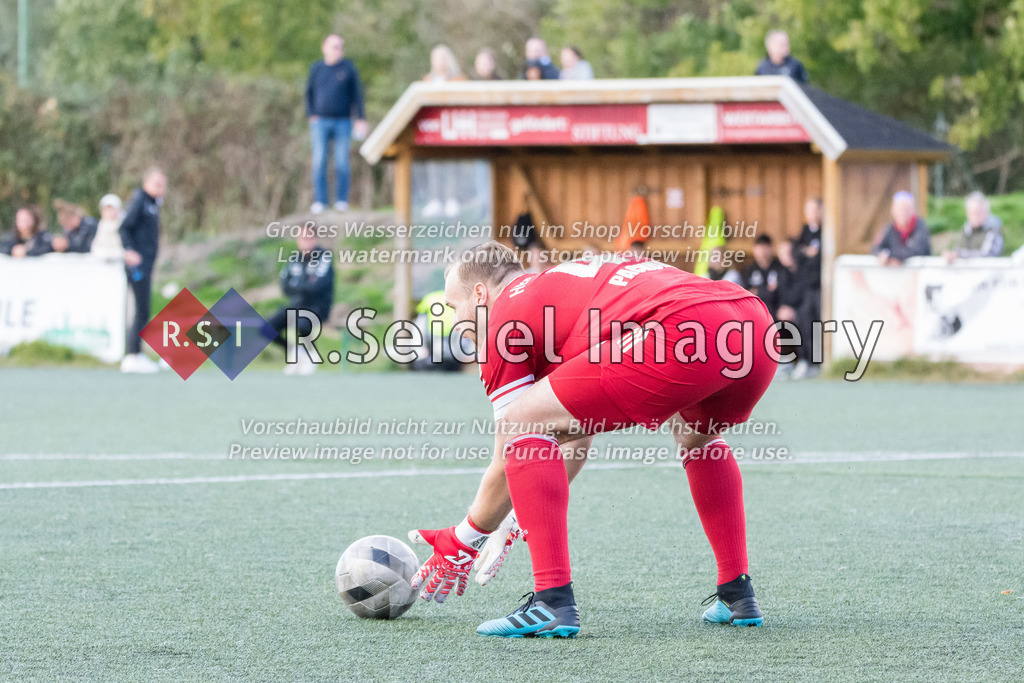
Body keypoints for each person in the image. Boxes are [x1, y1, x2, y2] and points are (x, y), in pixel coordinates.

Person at [408, 242, 777, 637]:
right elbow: (574, 436)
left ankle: (552, 602)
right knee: (695, 438)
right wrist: (519, 514)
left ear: (480, 295)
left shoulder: (503, 318)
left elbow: (511, 443)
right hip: (750, 323)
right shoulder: (555, 292)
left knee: (520, 424)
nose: (454, 320)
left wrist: (465, 537)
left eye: (452, 307)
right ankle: (737, 595)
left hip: (680, 326)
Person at [306, 34, 369, 214]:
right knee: (319, 161)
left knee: (342, 161)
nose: (337, 50)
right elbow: (308, 93)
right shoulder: (316, 69)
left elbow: (357, 95)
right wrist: (311, 114)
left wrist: (360, 118)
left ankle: (341, 200)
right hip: (320, 122)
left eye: (340, 47)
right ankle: (320, 201)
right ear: (324, 47)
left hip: (343, 121)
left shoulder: (348, 68)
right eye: (334, 46)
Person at [267, 225, 334, 375]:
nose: (305, 242)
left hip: (318, 306)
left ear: (314, 239)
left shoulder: (324, 256)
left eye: (308, 238)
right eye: (302, 238)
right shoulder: (293, 259)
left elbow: (317, 287)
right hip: (297, 305)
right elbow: (285, 285)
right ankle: (295, 353)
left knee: (303, 324)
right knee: (267, 328)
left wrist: (298, 286)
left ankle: (311, 354)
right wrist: (304, 287)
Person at [119, 167, 166, 374]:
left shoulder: (153, 204)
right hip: (137, 266)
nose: (161, 188)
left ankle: (136, 354)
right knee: (140, 310)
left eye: (163, 184)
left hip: (147, 265)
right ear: (146, 182)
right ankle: (132, 356)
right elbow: (124, 227)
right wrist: (129, 250)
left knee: (144, 310)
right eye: (157, 183)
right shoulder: (139, 200)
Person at [790, 198, 823, 378]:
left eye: (815, 210)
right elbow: (796, 254)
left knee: (817, 325)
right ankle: (805, 360)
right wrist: (807, 253)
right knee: (804, 323)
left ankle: (817, 363)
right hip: (805, 289)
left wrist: (809, 255)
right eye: (809, 210)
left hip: (819, 288)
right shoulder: (804, 232)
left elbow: (820, 258)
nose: (812, 214)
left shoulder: (825, 232)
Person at [872, 192, 931, 265]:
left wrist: (890, 256)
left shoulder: (921, 228)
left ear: (913, 210)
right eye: (901, 209)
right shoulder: (889, 229)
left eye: (906, 209)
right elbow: (876, 248)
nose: (903, 213)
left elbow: (916, 251)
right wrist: (882, 255)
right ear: (893, 210)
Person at [943, 191, 1004, 262]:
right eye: (971, 213)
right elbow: (957, 249)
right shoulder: (966, 229)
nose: (974, 216)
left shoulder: (993, 229)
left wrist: (960, 255)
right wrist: (951, 255)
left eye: (977, 212)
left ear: (986, 212)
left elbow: (987, 255)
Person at [742, 234, 786, 317]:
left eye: (765, 248)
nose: (762, 252)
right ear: (754, 250)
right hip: (755, 310)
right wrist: (768, 291)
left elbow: (781, 293)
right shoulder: (749, 270)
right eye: (759, 249)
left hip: (775, 310)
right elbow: (747, 294)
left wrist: (758, 291)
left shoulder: (780, 268)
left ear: (771, 248)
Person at [90, 194, 125, 261]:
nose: (109, 212)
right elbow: (96, 245)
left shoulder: (123, 225)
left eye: (112, 209)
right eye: (106, 209)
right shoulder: (102, 225)